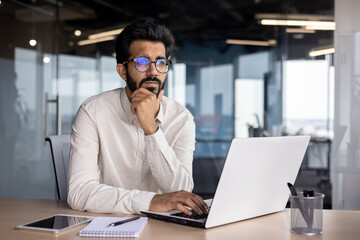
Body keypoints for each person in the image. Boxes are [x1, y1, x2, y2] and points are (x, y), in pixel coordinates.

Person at [67, 17, 208, 216]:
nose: (153, 71)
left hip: (161, 229)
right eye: (142, 62)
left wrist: (151, 128)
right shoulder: (93, 111)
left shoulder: (182, 119)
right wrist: (151, 201)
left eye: (161, 62)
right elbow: (79, 192)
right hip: (103, 226)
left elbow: (181, 190)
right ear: (122, 71)